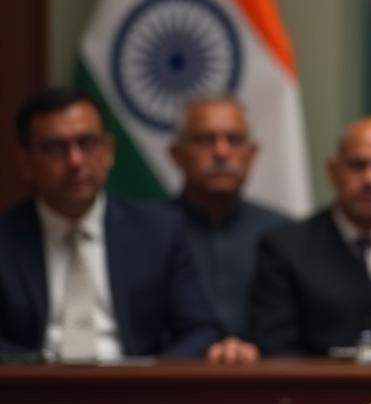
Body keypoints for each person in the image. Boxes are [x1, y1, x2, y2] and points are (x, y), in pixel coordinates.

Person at [0, 87, 221, 360]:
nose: (75, 161)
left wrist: (156, 375)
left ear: (109, 151)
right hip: (33, 383)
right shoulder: (5, 239)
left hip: (136, 382)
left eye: (88, 143)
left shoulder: (159, 231)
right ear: (26, 162)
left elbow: (200, 330)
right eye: (56, 148)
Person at [247, 116, 371, 356]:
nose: (370, 179)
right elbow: (275, 348)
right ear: (333, 172)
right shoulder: (285, 247)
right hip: (311, 380)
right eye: (358, 165)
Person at [165, 95, 289, 364]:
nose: (221, 152)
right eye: (205, 140)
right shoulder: (148, 232)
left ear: (252, 154)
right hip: (172, 378)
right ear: (176, 155)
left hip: (265, 378)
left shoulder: (284, 234)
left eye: (234, 140)